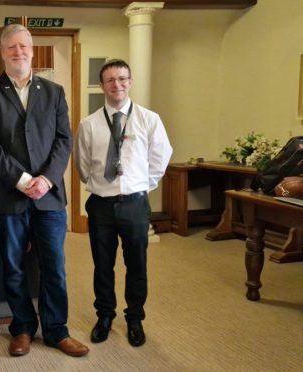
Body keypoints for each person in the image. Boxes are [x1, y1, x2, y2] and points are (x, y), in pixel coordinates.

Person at [0, 24, 89, 358]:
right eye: (11, 47)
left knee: (54, 266)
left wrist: (47, 179)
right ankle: (22, 328)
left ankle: (56, 331)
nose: (18, 52)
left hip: (49, 197)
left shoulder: (55, 92)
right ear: (2, 52)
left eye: (24, 46)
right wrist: (24, 181)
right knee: (13, 267)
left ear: (33, 50)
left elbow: (64, 140)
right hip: (9, 195)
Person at [74, 59, 173, 347]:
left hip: (135, 204)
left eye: (122, 79)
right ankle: (104, 315)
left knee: (137, 264)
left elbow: (160, 159)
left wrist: (140, 186)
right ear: (102, 85)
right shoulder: (89, 124)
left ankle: (134, 319)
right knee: (102, 265)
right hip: (101, 204)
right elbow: (82, 165)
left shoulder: (148, 119)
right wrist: (105, 186)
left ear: (130, 82)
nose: (116, 85)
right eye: (110, 80)